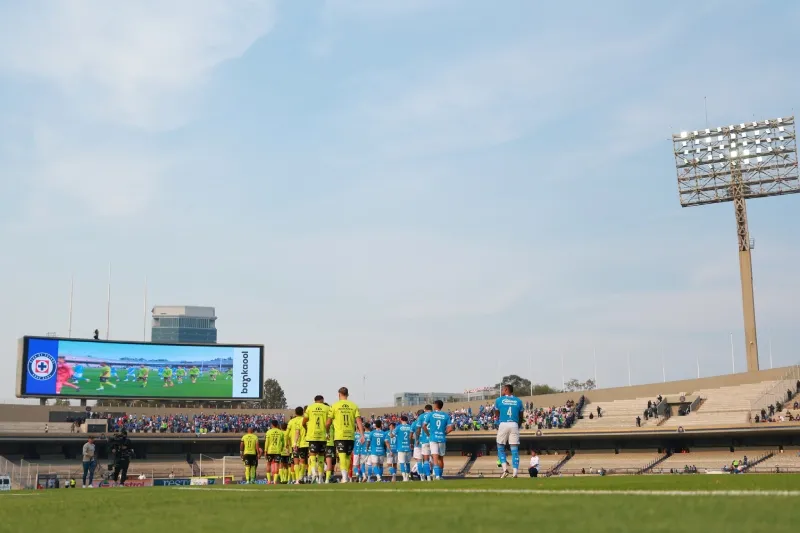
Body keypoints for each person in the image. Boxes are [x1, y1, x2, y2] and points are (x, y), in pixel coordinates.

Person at [326, 386, 365, 483]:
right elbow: (359, 421)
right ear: (347, 394)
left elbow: (328, 422)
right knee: (347, 456)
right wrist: (362, 434)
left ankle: (344, 477)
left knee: (342, 456)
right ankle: (345, 476)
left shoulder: (334, 406)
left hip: (340, 435)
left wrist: (327, 432)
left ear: (339, 394)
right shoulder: (353, 405)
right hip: (350, 435)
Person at [495, 383, 524, 478]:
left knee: (500, 447)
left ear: (506, 390)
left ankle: (505, 470)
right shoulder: (518, 401)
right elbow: (521, 416)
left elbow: (497, 413)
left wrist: (498, 422)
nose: (502, 391)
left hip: (503, 423)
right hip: (514, 424)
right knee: (514, 450)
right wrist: (518, 425)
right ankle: (515, 473)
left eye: (503, 389)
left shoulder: (499, 400)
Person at [303, 395, 331, 484]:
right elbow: (328, 423)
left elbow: (304, 422)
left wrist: (306, 429)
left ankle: (313, 472)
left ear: (314, 400)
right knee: (321, 456)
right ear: (322, 400)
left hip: (312, 435)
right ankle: (320, 478)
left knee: (312, 454)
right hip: (322, 435)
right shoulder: (327, 408)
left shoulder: (310, 407)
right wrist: (327, 432)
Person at [424, 400, 454, 481]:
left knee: (435, 458)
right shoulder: (445, 415)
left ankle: (437, 476)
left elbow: (424, 426)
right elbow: (451, 428)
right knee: (441, 458)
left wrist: (428, 434)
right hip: (442, 438)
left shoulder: (431, 414)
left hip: (433, 438)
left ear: (435, 405)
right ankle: (440, 476)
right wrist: (444, 433)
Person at [287, 406, 307, 484]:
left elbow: (287, 434)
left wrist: (287, 443)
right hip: (305, 443)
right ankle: (301, 477)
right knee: (303, 461)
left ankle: (297, 479)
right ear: (303, 412)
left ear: (295, 413)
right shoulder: (305, 420)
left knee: (295, 462)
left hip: (294, 444)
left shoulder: (291, 421)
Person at [416, 405, 434, 481]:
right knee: (435, 458)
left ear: (425, 409)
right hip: (434, 439)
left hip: (424, 440)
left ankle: (428, 477)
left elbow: (418, 429)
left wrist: (417, 439)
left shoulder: (421, 416)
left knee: (425, 460)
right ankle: (435, 475)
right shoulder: (434, 415)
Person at [394, 415, 414, 482]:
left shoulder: (398, 427)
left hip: (401, 448)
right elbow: (412, 436)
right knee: (408, 463)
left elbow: (391, 435)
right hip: (408, 448)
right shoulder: (410, 427)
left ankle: (404, 478)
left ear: (401, 420)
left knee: (402, 463)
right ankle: (407, 477)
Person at [264, 420, 284, 485]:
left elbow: (267, 442)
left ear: (272, 425)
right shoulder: (281, 432)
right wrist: (281, 448)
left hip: (270, 451)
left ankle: (269, 481)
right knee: (277, 465)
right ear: (277, 425)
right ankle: (275, 481)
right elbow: (283, 443)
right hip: (277, 451)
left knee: (268, 464)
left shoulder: (268, 432)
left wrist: (265, 450)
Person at [323, 403, 337, 484]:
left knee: (332, 462)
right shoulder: (330, 422)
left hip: (329, 444)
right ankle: (327, 479)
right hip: (329, 444)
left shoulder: (330, 421)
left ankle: (329, 477)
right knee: (329, 463)